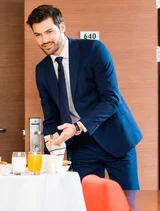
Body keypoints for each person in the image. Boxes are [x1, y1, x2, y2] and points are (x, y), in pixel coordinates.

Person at [26, 4, 143, 190]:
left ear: (62, 27)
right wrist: (51, 147)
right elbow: (51, 115)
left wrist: (77, 127)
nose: (44, 40)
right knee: (85, 203)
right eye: (38, 35)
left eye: (49, 32)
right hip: (81, 147)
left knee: (128, 202)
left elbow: (111, 99)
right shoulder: (42, 70)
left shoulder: (93, 50)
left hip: (115, 138)